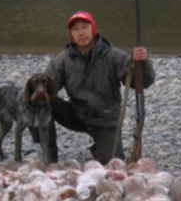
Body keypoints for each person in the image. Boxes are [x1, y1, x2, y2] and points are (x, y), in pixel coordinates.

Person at [44, 11, 155, 164]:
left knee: (113, 164)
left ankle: (100, 149)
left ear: (93, 29)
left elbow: (142, 83)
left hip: (105, 120)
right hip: (77, 114)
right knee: (43, 100)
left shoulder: (114, 56)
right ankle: (49, 155)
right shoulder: (62, 59)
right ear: (71, 34)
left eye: (84, 27)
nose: (81, 32)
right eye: (76, 29)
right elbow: (47, 85)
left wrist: (142, 62)